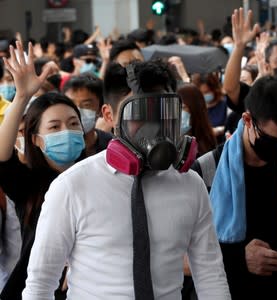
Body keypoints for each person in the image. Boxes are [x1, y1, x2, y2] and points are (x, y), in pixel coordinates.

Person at [22, 60, 231, 299]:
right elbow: (41, 283)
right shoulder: (72, 186)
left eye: (162, 112)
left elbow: (210, 273)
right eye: (139, 114)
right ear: (109, 115)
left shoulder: (191, 185)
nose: (154, 126)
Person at [193, 73, 277, 299]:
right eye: (273, 141)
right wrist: (238, 260)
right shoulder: (206, 171)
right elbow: (182, 258)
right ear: (247, 120)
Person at [0, 41, 85, 299]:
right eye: (55, 127)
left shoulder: (97, 174)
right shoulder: (29, 183)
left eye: (73, 123)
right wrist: (22, 96)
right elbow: (2, 157)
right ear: (35, 139)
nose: (66, 131)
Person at [62, 73, 113, 156]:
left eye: (86, 105)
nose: (76, 111)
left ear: (101, 110)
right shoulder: (56, 149)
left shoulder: (110, 146)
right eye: (70, 103)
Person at [177, 84, 217, 156]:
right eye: (176, 107)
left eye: (183, 107)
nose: (178, 112)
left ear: (195, 109)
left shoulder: (205, 145)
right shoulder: (171, 142)